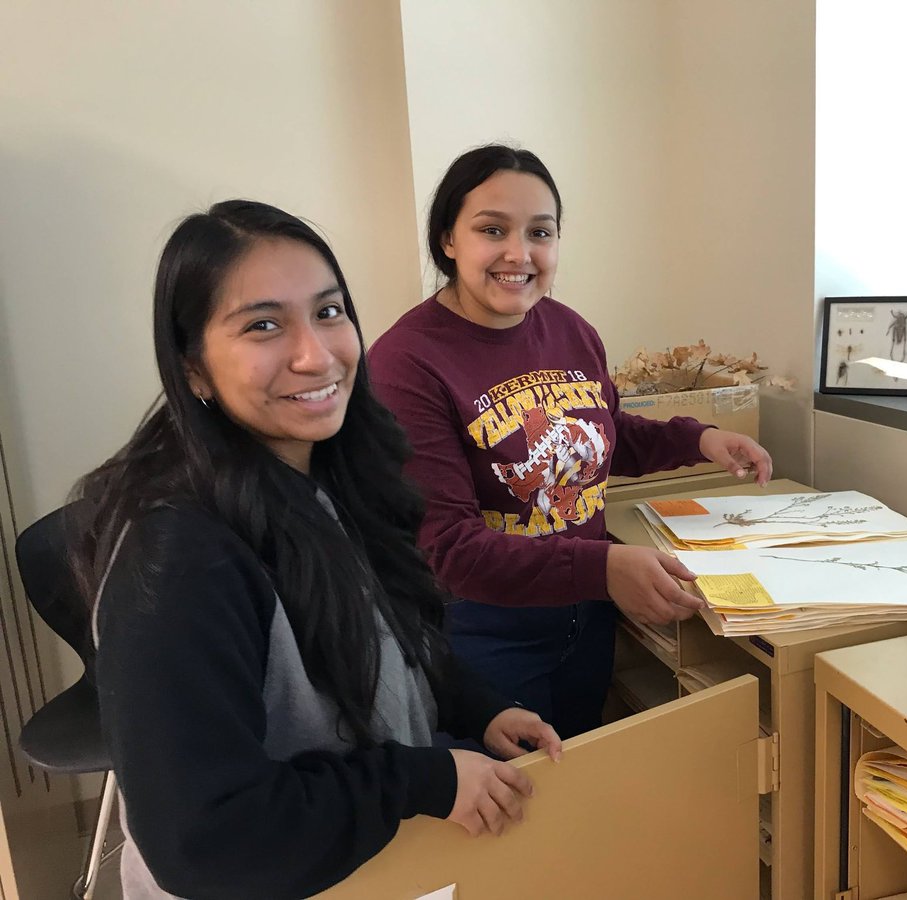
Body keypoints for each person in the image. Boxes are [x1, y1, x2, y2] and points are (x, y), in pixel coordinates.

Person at [68, 200, 561, 900]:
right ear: (194, 368)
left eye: (329, 313)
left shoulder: (322, 468)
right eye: (263, 325)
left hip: (376, 863)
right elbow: (206, 840)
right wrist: (424, 779)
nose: (316, 353)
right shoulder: (180, 554)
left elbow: (383, 636)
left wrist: (475, 707)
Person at [368, 145, 772, 740]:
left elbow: (598, 438)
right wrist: (606, 566)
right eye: (491, 229)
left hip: (585, 617)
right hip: (484, 636)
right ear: (448, 239)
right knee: (518, 810)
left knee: (579, 774)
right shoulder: (405, 363)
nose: (519, 253)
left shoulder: (570, 329)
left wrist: (702, 439)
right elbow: (448, 548)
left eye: (540, 232)